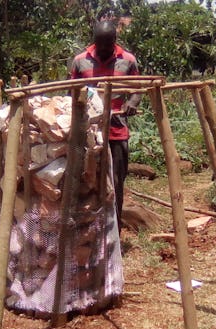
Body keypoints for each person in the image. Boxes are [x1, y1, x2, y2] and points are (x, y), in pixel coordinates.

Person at [69, 20, 142, 233]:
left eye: (107, 45)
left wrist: (132, 103)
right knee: (87, 180)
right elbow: (71, 92)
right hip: (88, 133)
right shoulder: (80, 61)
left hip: (117, 131)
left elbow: (138, 89)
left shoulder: (127, 61)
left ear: (114, 41)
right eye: (99, 45)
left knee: (116, 182)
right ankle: (88, 231)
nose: (102, 50)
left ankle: (114, 232)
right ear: (94, 41)